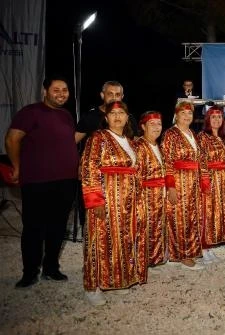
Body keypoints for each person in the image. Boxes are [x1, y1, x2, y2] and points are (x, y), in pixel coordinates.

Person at [5, 76, 78, 288]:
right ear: (44, 91)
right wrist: (17, 166)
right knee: (34, 227)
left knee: (57, 226)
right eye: (56, 89)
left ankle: (51, 268)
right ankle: (29, 272)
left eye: (65, 90)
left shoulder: (66, 115)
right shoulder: (30, 112)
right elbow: (12, 139)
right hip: (37, 181)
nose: (61, 93)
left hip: (65, 181)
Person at [80, 101, 142, 306]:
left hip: (126, 202)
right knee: (99, 240)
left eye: (121, 113)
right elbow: (88, 169)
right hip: (106, 200)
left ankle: (116, 280)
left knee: (121, 240)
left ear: (127, 117)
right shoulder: (98, 138)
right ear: (106, 118)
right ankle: (92, 286)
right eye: (112, 113)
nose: (117, 116)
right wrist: (94, 199)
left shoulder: (129, 141)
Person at [161, 101, 203, 270]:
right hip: (178, 183)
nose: (187, 116)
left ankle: (190, 251)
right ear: (176, 115)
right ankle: (181, 255)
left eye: (190, 114)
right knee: (179, 219)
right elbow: (167, 162)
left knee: (191, 218)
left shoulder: (192, 133)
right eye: (183, 113)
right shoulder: (171, 134)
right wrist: (170, 186)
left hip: (193, 183)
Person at [198, 105, 225, 262]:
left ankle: (210, 247)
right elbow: (200, 160)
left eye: (219, 117)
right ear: (208, 119)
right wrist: (205, 180)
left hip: (222, 179)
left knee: (217, 213)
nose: (217, 119)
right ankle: (203, 248)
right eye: (213, 117)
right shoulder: (202, 137)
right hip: (210, 178)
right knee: (207, 212)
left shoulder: (223, 137)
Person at [135, 111, 167, 269]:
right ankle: (142, 260)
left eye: (159, 124)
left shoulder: (158, 146)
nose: (156, 127)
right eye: (152, 124)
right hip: (146, 195)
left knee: (157, 226)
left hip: (160, 194)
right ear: (143, 126)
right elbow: (136, 177)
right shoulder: (139, 146)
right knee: (144, 228)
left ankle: (154, 258)